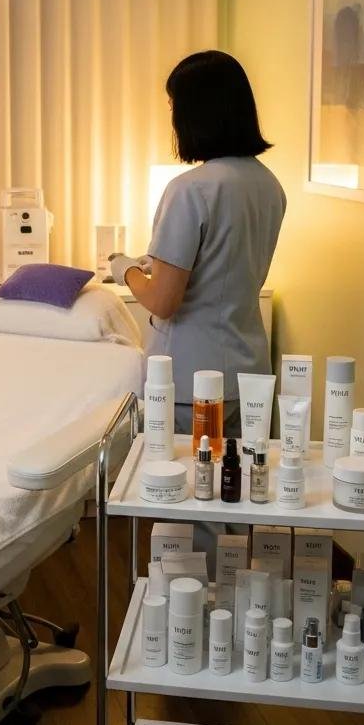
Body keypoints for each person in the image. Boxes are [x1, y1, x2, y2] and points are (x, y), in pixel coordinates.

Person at [111, 50, 285, 436]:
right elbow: (225, 267)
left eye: (175, 107)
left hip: (191, 382)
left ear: (195, 114)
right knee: (235, 487)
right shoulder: (269, 186)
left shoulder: (190, 190)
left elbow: (163, 301)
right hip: (248, 376)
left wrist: (125, 268)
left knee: (187, 487)